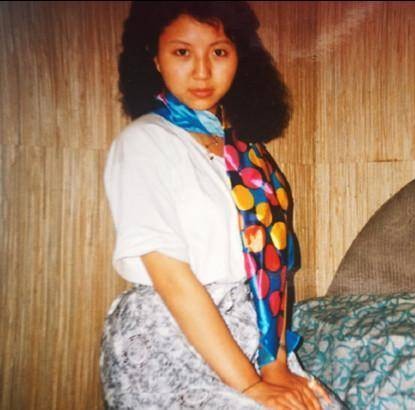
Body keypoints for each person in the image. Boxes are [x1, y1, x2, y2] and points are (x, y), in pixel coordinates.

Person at [99, 2, 345, 409]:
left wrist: (276, 367)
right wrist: (251, 387)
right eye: (182, 52)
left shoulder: (249, 153)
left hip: (253, 334)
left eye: (218, 51)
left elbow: (273, 267)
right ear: (155, 59)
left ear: (238, 58)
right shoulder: (145, 142)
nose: (201, 71)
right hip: (170, 334)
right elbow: (171, 278)